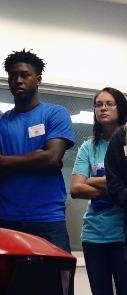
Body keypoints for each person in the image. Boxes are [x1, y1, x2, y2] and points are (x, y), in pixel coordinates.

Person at [0, 49, 74, 252]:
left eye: (25, 75)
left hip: (48, 220)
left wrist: (4, 161)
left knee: (55, 283)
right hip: (8, 220)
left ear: (38, 79)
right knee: (11, 284)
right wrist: (38, 158)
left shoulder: (55, 114)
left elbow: (52, 158)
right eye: (13, 76)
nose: (18, 80)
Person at [71, 87, 127, 295]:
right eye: (99, 104)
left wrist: (92, 180)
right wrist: (116, 185)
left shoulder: (126, 142)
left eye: (109, 104)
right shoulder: (88, 147)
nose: (103, 108)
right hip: (94, 236)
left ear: (120, 108)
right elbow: (76, 188)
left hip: (122, 235)